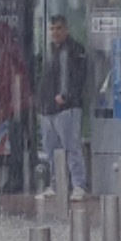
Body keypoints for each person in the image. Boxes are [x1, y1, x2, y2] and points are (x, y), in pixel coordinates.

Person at [37, 15, 92, 200]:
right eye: (52, 28)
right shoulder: (50, 51)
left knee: (71, 147)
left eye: (59, 28)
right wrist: (43, 102)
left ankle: (78, 185)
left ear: (66, 29)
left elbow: (79, 77)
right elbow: (46, 78)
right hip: (48, 109)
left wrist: (67, 97)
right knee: (51, 149)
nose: (55, 32)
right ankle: (56, 183)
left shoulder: (75, 49)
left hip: (67, 107)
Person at [0, 22, 32, 193]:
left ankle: (16, 180)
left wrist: (2, 103)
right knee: (18, 143)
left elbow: (6, 82)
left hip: (16, 106)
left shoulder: (8, 53)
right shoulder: (11, 51)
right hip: (18, 105)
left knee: (16, 144)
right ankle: (18, 179)